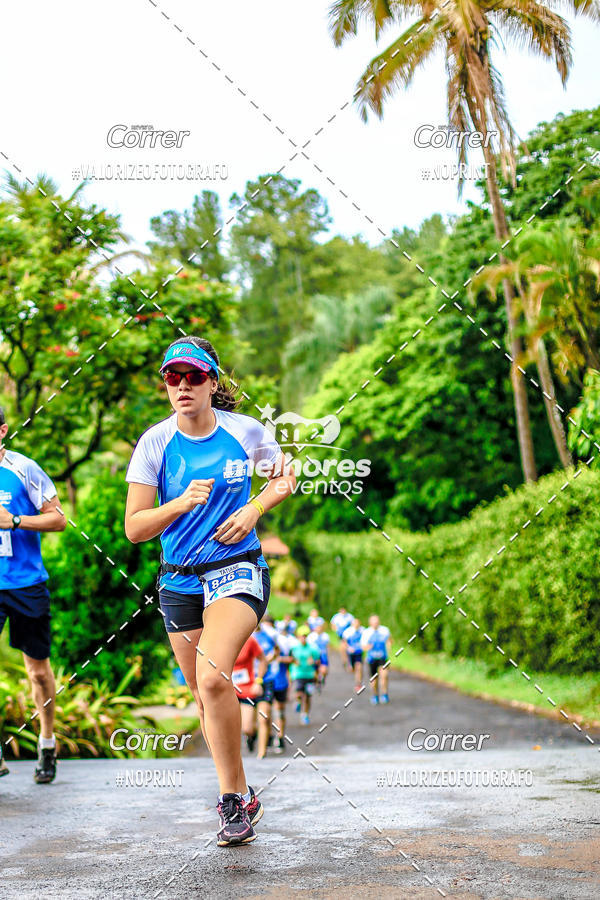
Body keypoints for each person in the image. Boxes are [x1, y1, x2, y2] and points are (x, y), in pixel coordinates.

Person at [125, 336, 295, 847]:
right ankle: (243, 793)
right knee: (204, 692)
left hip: (236, 567)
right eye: (172, 377)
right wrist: (177, 505)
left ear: (212, 383)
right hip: (178, 577)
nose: (181, 386)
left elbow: (285, 476)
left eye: (193, 376)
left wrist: (255, 509)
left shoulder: (245, 432)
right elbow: (134, 528)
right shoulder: (154, 443)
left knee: (215, 677)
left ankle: (227, 802)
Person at [0, 406, 66, 784]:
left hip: (25, 584)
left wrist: (16, 520)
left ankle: (46, 742)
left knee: (38, 672)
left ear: (3, 431)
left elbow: (58, 518)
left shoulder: (24, 469)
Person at [232, 634, 268, 759]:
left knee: (247, 728)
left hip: (247, 689)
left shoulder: (249, 641)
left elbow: (263, 659)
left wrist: (258, 681)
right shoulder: (220, 641)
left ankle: (252, 735)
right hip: (229, 689)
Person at [253, 618, 278, 759]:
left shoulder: (269, 634)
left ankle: (261, 752)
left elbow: (277, 649)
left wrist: (269, 658)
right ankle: (251, 735)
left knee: (263, 716)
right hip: (247, 682)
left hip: (266, 680)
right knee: (248, 725)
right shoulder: (244, 634)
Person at [270, 627, 298, 753]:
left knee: (279, 711)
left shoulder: (283, 651)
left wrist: (290, 685)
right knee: (266, 712)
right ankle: (270, 736)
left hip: (281, 684)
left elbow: (291, 661)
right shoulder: (264, 652)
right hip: (268, 683)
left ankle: (280, 737)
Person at [290, 625, 321, 725]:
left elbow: (318, 660)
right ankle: (298, 702)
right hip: (298, 674)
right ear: (298, 637)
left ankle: (305, 715)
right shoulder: (294, 647)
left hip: (309, 674)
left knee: (308, 696)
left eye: (305, 636)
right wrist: (294, 661)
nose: (303, 638)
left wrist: (314, 661)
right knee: (298, 693)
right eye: (301, 636)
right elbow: (289, 659)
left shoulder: (312, 648)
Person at [361, 615, 392, 704]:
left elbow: (389, 640)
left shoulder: (384, 630)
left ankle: (384, 694)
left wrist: (389, 647)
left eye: (377, 622)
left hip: (382, 658)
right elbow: (363, 647)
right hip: (372, 659)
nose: (375, 624)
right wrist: (368, 647)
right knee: (374, 680)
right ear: (370, 623)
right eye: (373, 622)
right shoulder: (366, 632)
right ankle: (375, 695)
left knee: (384, 675)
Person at [342, 618, 364, 693]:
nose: (356, 625)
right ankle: (352, 669)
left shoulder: (363, 630)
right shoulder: (348, 632)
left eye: (357, 623)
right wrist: (348, 648)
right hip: (351, 653)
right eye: (355, 623)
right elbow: (344, 642)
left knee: (359, 667)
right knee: (353, 669)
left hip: (359, 652)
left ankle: (358, 684)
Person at [307, 621, 330, 690]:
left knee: (324, 670)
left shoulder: (325, 636)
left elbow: (327, 646)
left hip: (323, 655)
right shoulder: (311, 636)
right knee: (315, 671)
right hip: (314, 656)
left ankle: (322, 678)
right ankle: (317, 682)